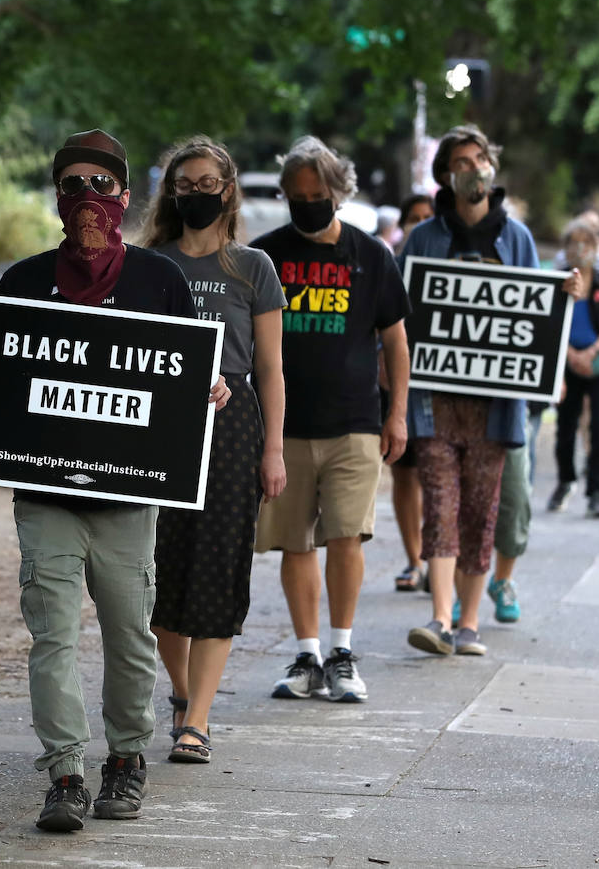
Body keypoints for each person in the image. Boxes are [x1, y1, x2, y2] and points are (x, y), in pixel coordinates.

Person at [0, 130, 231, 832]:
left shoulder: (159, 281)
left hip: (128, 497)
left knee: (130, 634)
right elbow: (5, 385)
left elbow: (186, 373)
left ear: (125, 197)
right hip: (46, 495)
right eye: (71, 185)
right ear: (55, 198)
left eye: (100, 185)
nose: (86, 198)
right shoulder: (22, 283)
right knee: (52, 635)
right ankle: (66, 774)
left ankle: (127, 760)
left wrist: (210, 386)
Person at [135, 136, 287, 764]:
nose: (196, 194)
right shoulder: (148, 264)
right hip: (157, 426)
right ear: (170, 193)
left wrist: (273, 449)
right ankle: (180, 690)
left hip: (232, 429)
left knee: (220, 567)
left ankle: (197, 719)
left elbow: (272, 368)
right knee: (157, 571)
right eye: (184, 185)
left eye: (207, 184)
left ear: (228, 191)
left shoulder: (254, 268)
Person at [399, 125, 578, 657]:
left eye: (480, 158)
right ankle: (440, 617)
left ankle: (469, 621)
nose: (474, 168)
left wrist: (565, 292)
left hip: (495, 409)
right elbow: (401, 312)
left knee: (482, 511)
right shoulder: (424, 238)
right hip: (435, 404)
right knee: (440, 507)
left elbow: (536, 312)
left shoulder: (517, 237)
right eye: (462, 161)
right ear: (445, 174)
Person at [252, 136, 411, 703]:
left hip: (354, 423)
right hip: (284, 428)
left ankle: (342, 653)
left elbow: (396, 342)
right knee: (295, 542)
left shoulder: (371, 256)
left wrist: (397, 415)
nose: (307, 206)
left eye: (316, 196)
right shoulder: (265, 255)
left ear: (338, 193)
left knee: (347, 536)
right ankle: (307, 655)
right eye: (296, 197)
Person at [548, 219, 599, 518]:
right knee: (565, 429)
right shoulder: (559, 282)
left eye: (587, 243)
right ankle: (565, 481)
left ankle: (596, 492)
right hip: (569, 364)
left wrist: (591, 352)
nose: (581, 250)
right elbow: (551, 324)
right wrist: (570, 355)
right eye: (574, 243)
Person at [388, 193, 433, 591]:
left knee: (437, 477)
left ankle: (440, 560)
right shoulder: (390, 267)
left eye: (427, 217)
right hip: (399, 387)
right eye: (413, 218)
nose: (419, 225)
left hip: (440, 391)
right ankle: (414, 560)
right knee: (405, 475)